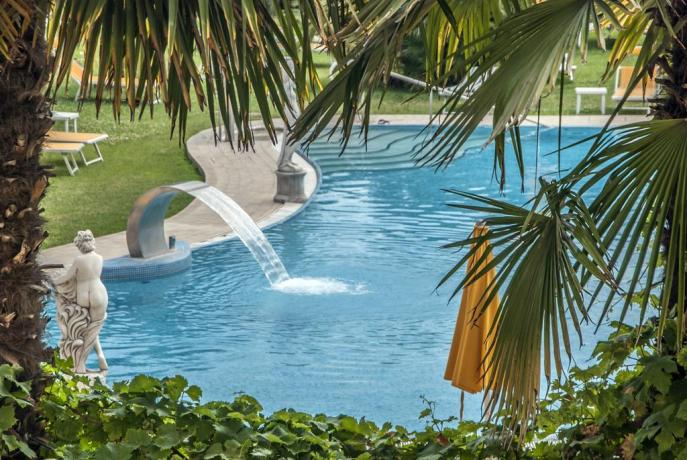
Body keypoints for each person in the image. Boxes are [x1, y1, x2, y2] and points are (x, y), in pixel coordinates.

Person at [52, 230, 108, 374]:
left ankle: (80, 365)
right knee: (94, 327)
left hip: (83, 297)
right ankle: (100, 356)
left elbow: (67, 277)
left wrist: (52, 281)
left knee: (87, 329)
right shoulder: (100, 258)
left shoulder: (78, 260)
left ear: (80, 246)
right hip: (99, 294)